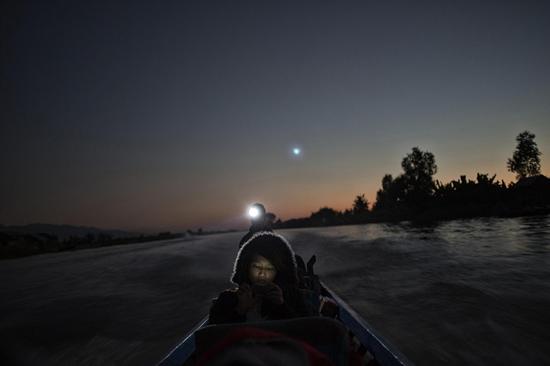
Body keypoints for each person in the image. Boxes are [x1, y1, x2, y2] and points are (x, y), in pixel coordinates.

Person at [209, 232, 309, 324]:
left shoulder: (293, 297)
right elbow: (211, 336)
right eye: (256, 267)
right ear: (246, 267)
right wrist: (240, 310)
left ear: (279, 272)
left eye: (270, 269)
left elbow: (307, 331)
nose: (262, 274)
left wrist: (281, 306)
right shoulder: (227, 299)